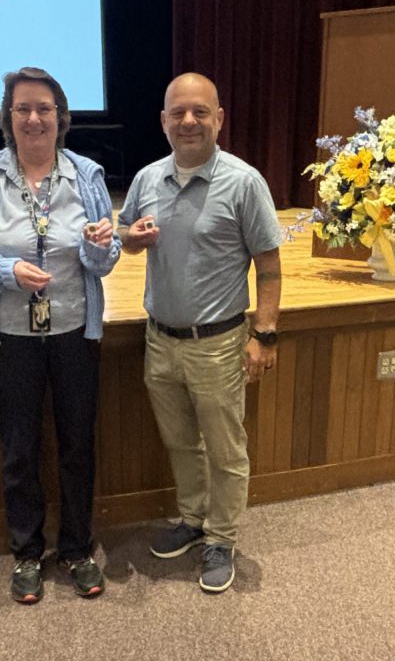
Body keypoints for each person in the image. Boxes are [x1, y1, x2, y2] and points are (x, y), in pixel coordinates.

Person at [0, 66, 120, 603]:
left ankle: (76, 548)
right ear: (9, 118)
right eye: (22, 108)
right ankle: (26, 553)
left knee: (77, 445)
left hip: (74, 332)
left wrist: (97, 245)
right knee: (19, 450)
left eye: (44, 108)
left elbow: (107, 258)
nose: (33, 118)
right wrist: (8, 272)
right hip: (13, 335)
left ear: (61, 117)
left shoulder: (87, 177)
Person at [117, 72, 282, 593]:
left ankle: (221, 538)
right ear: (164, 121)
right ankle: (192, 521)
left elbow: (270, 266)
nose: (189, 121)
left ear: (218, 119)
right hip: (159, 340)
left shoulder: (244, 181)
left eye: (200, 112)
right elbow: (126, 237)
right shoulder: (146, 179)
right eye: (178, 113)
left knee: (226, 449)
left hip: (218, 344)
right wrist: (131, 239)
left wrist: (266, 334)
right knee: (181, 443)